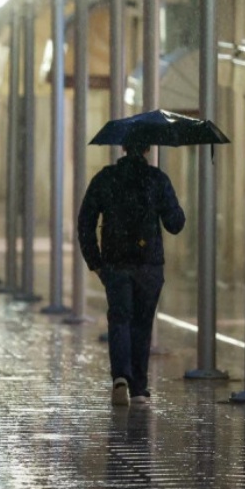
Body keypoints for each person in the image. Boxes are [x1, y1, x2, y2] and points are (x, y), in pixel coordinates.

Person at [77, 139, 185, 406]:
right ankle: (138, 387)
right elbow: (175, 224)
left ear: (123, 148)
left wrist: (96, 262)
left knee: (120, 318)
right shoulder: (156, 180)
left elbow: (85, 221)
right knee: (142, 323)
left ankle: (120, 377)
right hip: (149, 264)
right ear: (148, 149)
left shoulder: (106, 178)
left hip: (115, 263)